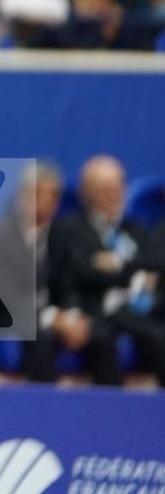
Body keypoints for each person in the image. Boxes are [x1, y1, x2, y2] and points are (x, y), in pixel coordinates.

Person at [0, 161, 88, 383]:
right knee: (41, 335)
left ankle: (110, 411)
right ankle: (43, 410)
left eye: (53, 196)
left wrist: (73, 316)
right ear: (22, 196)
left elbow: (68, 286)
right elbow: (7, 299)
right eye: (39, 194)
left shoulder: (60, 237)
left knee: (101, 336)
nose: (47, 201)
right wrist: (54, 318)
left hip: (43, 319)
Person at [50, 155, 165, 386]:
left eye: (118, 187)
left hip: (141, 311)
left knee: (155, 333)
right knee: (121, 338)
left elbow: (157, 262)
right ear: (87, 193)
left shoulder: (135, 230)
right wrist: (136, 273)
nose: (113, 195)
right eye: (104, 189)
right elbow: (82, 271)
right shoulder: (70, 229)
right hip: (96, 310)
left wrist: (119, 264)